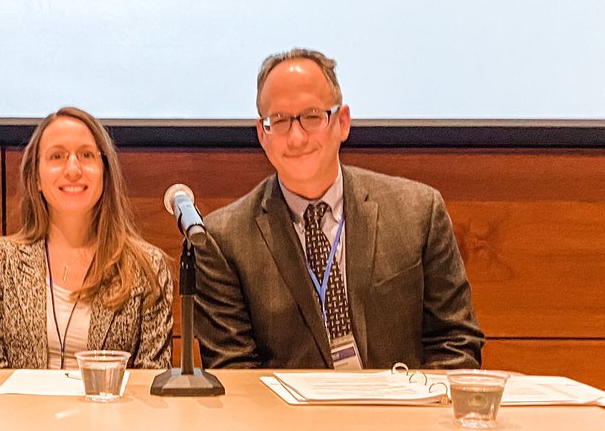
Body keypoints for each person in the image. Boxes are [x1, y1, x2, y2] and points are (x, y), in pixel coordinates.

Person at [195, 49, 483, 370]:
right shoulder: (222, 239)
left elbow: (456, 342)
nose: (296, 137)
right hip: (288, 419)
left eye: (312, 116)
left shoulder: (418, 213)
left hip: (400, 413)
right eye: (279, 121)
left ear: (342, 122)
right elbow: (233, 370)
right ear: (262, 134)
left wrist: (418, 412)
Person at [0, 106, 173, 369]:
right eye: (57, 156)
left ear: (105, 173)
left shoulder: (148, 268)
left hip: (111, 410)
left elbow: (152, 378)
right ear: (37, 178)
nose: (73, 169)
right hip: (19, 410)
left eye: (86, 155)